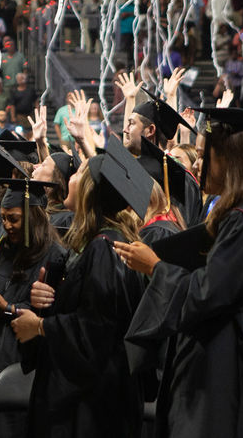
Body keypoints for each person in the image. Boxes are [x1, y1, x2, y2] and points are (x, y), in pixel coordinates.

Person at [123, 108, 243, 438]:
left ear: (230, 158)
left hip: (227, 380)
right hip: (235, 369)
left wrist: (155, 267)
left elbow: (207, 294)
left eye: (206, 155)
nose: (199, 164)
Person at [14, 142, 146, 435]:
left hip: (86, 410)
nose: (71, 176)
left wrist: (40, 327)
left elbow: (97, 330)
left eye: (80, 172)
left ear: (89, 190)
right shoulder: (107, 244)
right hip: (95, 403)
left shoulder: (103, 249)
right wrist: (49, 297)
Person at [0, 177, 70, 437]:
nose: (7, 225)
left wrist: (7, 307)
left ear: (32, 218)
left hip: (23, 359)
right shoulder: (2, 249)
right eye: (4, 217)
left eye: (14, 219)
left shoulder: (54, 257)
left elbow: (47, 315)